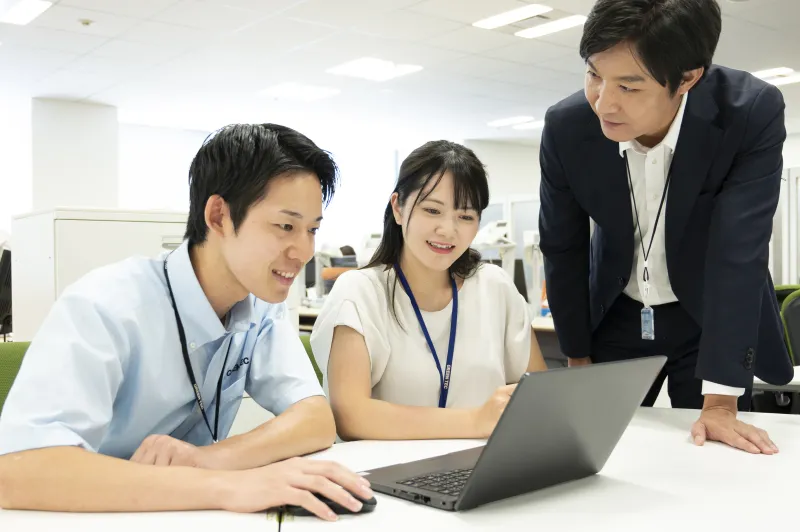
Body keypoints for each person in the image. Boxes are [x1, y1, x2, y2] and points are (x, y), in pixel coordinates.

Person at [0, 124, 372, 521]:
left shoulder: (261, 306)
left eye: (312, 229)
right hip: (91, 516)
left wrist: (208, 460)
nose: (304, 251)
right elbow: (18, 471)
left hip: (189, 515)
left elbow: (314, 419)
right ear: (219, 216)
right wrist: (228, 486)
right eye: (286, 226)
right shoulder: (106, 304)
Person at [538, 0, 793, 455]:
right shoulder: (567, 126)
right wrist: (576, 355)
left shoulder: (748, 112)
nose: (603, 102)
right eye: (594, 74)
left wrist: (721, 403)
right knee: (598, 452)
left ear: (688, 78)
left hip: (708, 317)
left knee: (713, 453)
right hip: (615, 312)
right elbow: (562, 247)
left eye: (629, 86)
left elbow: (739, 251)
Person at [310, 140, 547, 442]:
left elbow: (539, 394)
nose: (447, 230)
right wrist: (475, 421)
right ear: (398, 208)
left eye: (465, 216)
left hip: (487, 462)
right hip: (391, 466)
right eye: (433, 210)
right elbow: (350, 416)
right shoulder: (359, 292)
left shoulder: (494, 287)